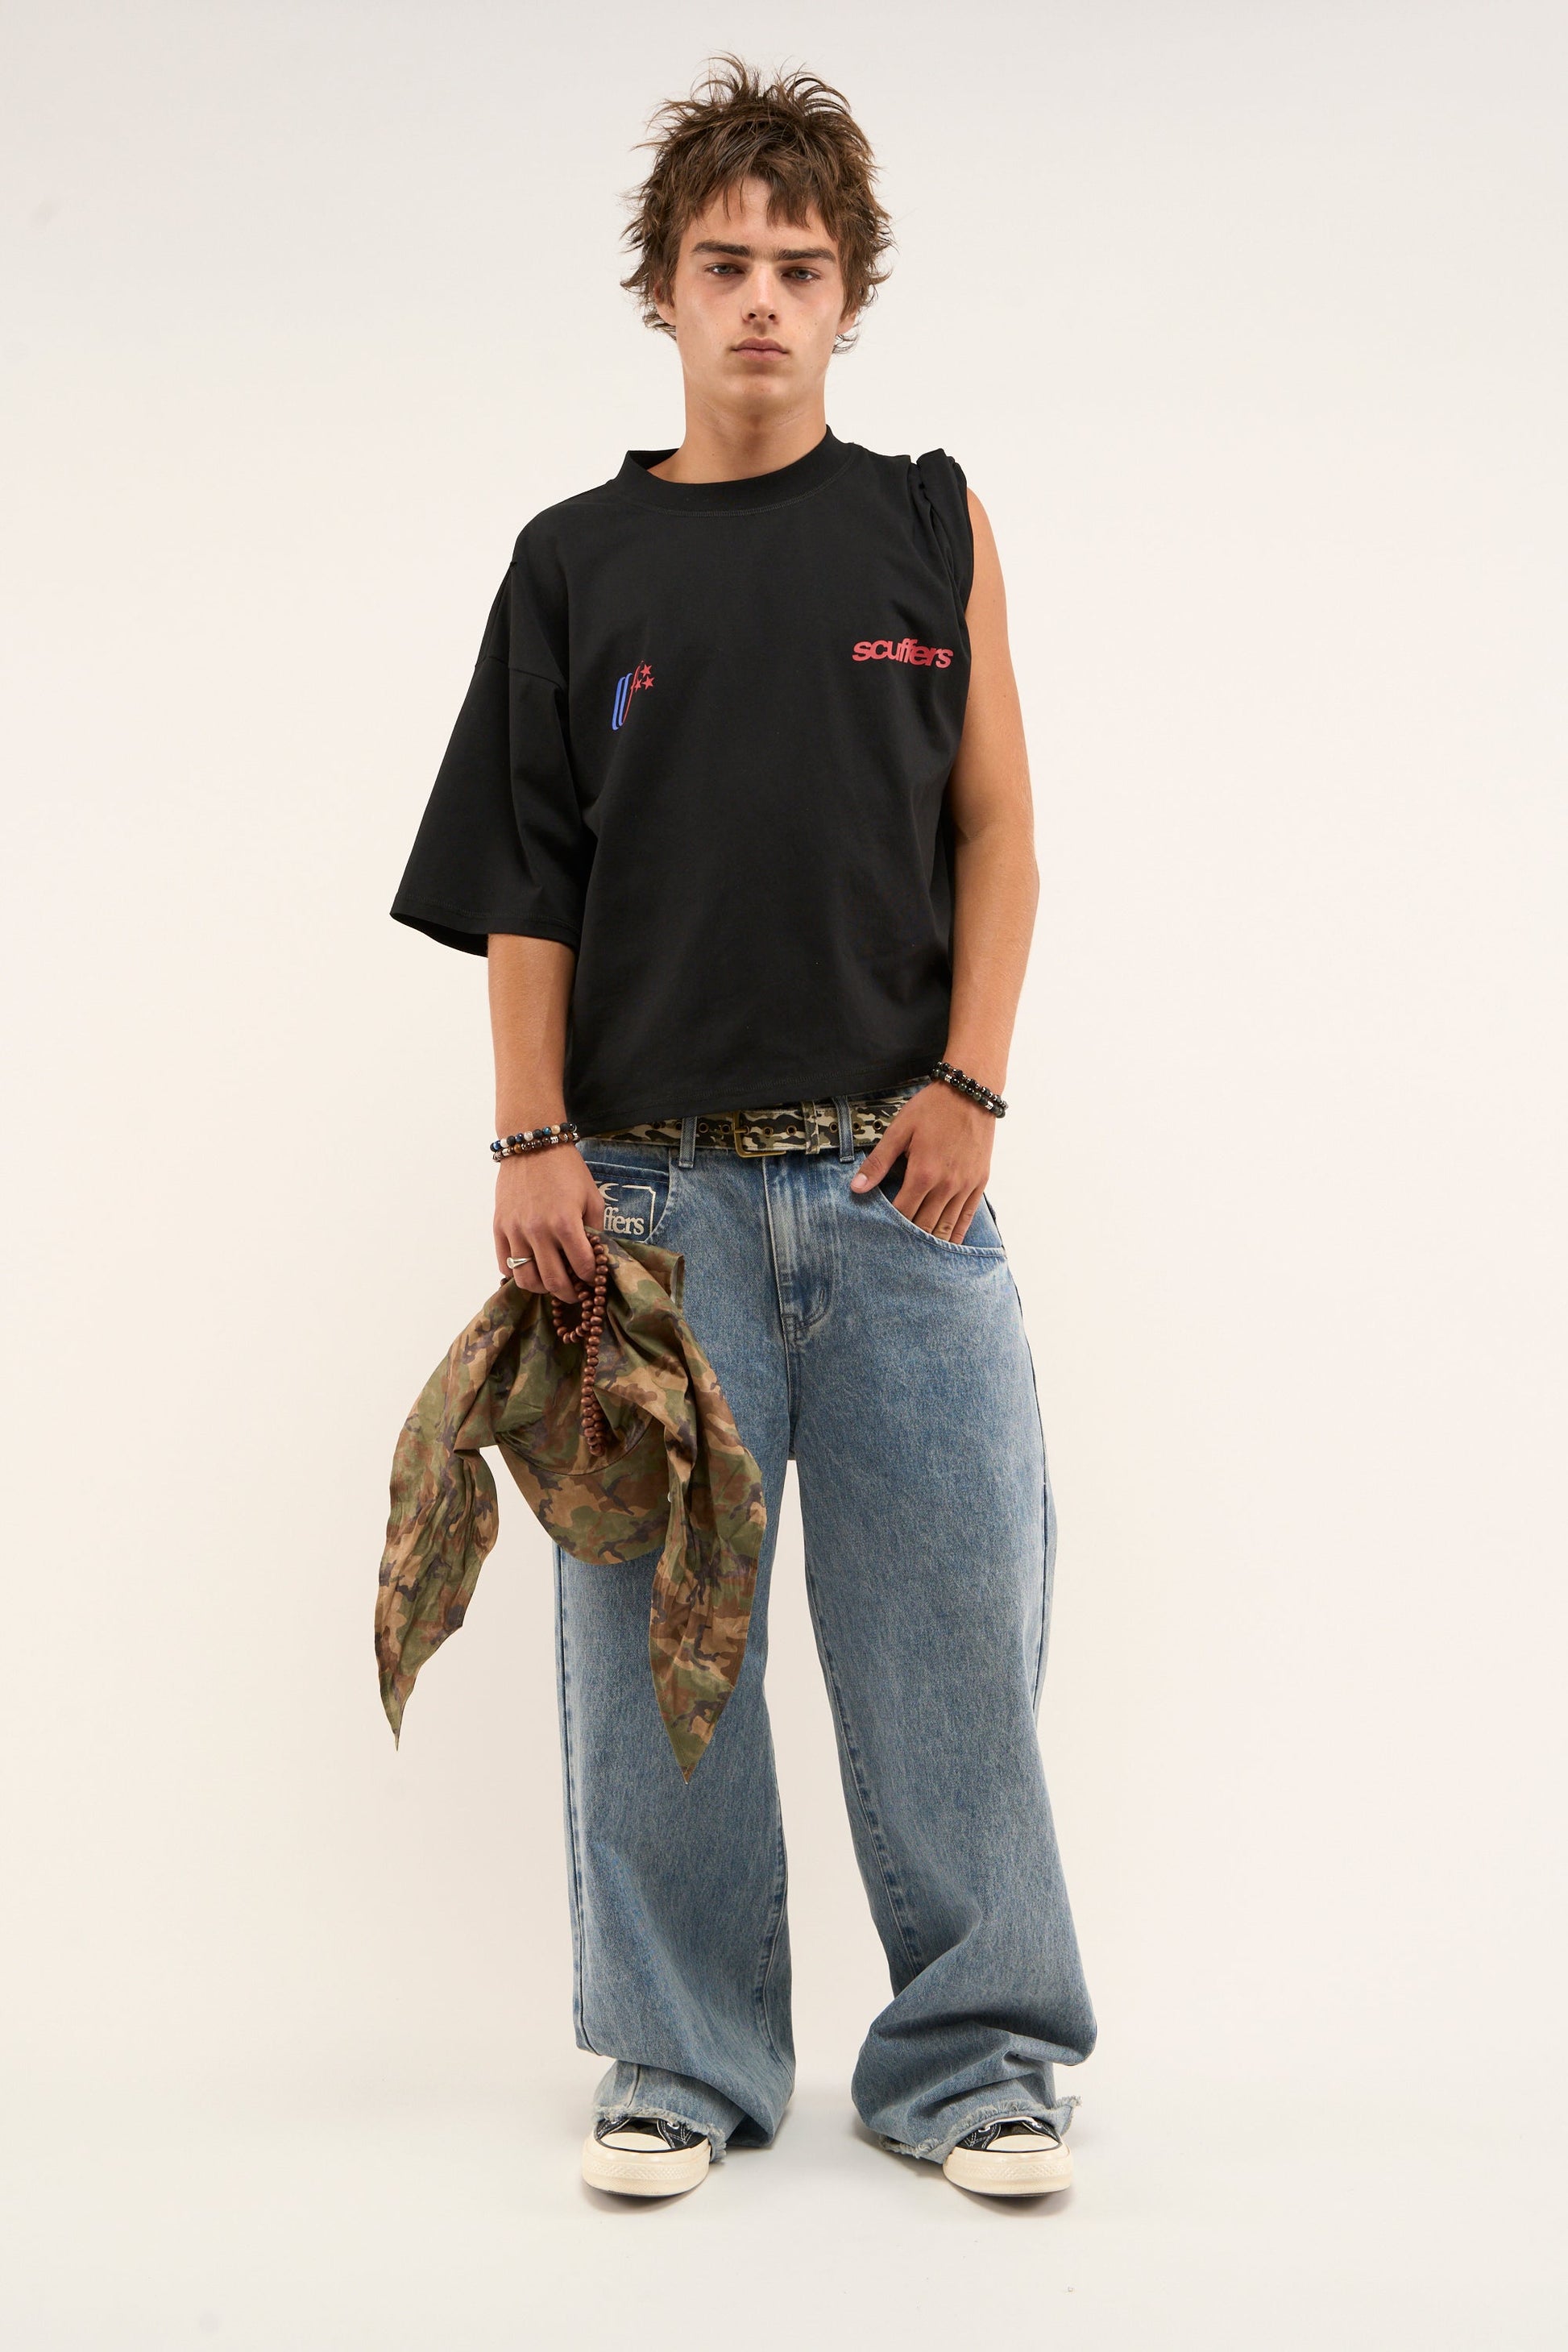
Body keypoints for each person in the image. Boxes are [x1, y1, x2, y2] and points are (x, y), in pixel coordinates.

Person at [390, 55, 1095, 2201]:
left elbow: (998, 831)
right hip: (649, 1209)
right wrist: (529, 1142)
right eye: (724, 264)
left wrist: (971, 1087)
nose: (762, 299)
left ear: (848, 291)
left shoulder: (926, 523)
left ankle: (974, 2062)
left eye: (799, 264)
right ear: (665, 292)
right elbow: (529, 879)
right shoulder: (575, 561)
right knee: (643, 1663)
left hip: (901, 1193)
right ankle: (679, 2063)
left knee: (953, 1642)